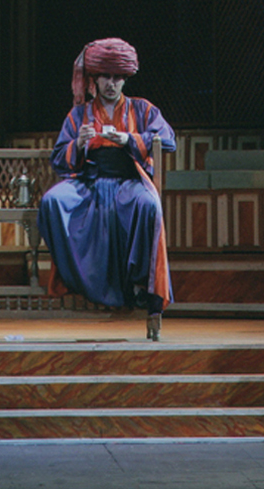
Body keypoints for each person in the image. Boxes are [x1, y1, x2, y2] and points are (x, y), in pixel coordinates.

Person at [38, 38, 175, 341]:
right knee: (52, 201)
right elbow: (59, 157)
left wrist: (129, 139)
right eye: (105, 77)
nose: (111, 84)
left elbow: (168, 140)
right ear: (95, 79)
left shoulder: (143, 109)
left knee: (150, 206)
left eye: (117, 77)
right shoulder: (79, 115)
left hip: (128, 181)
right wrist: (80, 143)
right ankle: (77, 278)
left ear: (125, 79)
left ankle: (140, 286)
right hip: (89, 182)